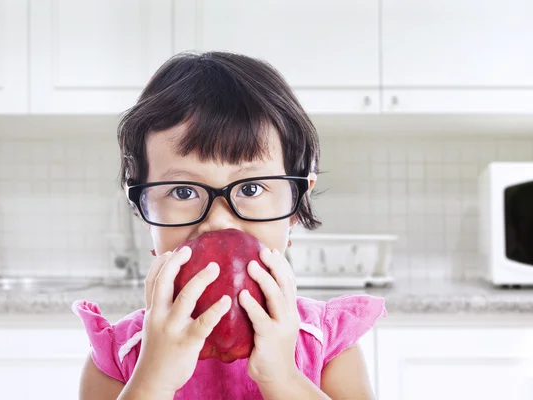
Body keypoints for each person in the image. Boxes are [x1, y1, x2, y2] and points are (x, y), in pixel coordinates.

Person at [72, 51, 386, 400]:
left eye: (251, 188)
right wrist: (153, 381)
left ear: (296, 204)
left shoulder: (326, 345)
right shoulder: (119, 356)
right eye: (183, 191)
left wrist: (282, 378)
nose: (219, 220)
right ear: (143, 210)